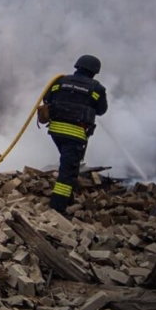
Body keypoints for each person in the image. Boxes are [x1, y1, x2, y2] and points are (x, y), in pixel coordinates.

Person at [42, 55, 108, 213]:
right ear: (94, 71)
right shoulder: (97, 88)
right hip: (75, 134)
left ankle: (68, 198)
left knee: (69, 165)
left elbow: (46, 99)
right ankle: (57, 208)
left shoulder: (60, 81)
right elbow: (101, 110)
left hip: (56, 131)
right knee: (67, 172)